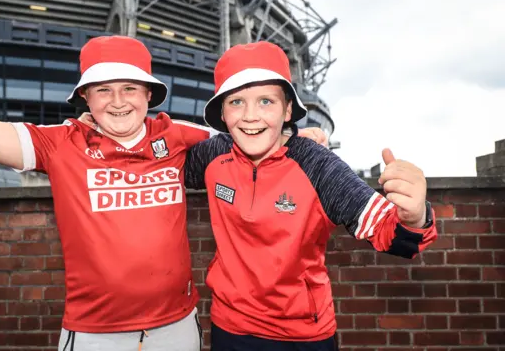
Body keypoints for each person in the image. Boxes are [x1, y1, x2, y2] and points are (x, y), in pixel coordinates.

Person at [0, 0, 327, 351]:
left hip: (177, 329)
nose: (118, 101)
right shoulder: (62, 144)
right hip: (95, 334)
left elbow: (252, 132)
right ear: (86, 98)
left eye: (130, 88)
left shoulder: (180, 136)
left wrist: (298, 141)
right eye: (104, 90)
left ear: (148, 93)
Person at [183, 41, 438, 351]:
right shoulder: (211, 156)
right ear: (222, 112)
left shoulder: (317, 165)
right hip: (230, 328)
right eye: (236, 102)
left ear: (288, 109)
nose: (250, 116)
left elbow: (392, 234)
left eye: (266, 101)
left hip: (304, 336)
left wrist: (414, 216)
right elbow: (158, 161)